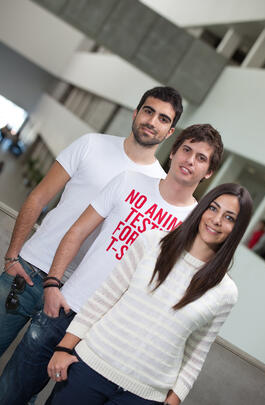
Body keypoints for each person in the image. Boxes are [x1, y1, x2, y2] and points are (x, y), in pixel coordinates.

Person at [0, 124, 224, 404]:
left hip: (105, 335)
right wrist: (53, 283)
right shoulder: (128, 180)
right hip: (64, 306)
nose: (190, 160)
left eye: (201, 158)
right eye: (186, 150)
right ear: (173, 153)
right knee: (13, 390)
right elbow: (78, 231)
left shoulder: (195, 223)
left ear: (209, 172)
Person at [0, 86, 183, 356]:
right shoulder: (91, 144)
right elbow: (38, 197)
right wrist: (13, 255)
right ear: (135, 113)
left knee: (21, 388)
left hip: (72, 298)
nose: (152, 121)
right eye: (148, 111)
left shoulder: (159, 185)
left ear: (170, 133)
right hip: (30, 268)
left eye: (163, 119)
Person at [45, 183, 253, 405]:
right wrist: (64, 347)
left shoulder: (226, 292)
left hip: (143, 396)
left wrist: (173, 400)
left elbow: (196, 353)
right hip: (90, 368)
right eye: (213, 208)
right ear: (201, 209)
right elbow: (105, 297)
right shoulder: (152, 242)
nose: (216, 220)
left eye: (229, 217)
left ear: (237, 229)